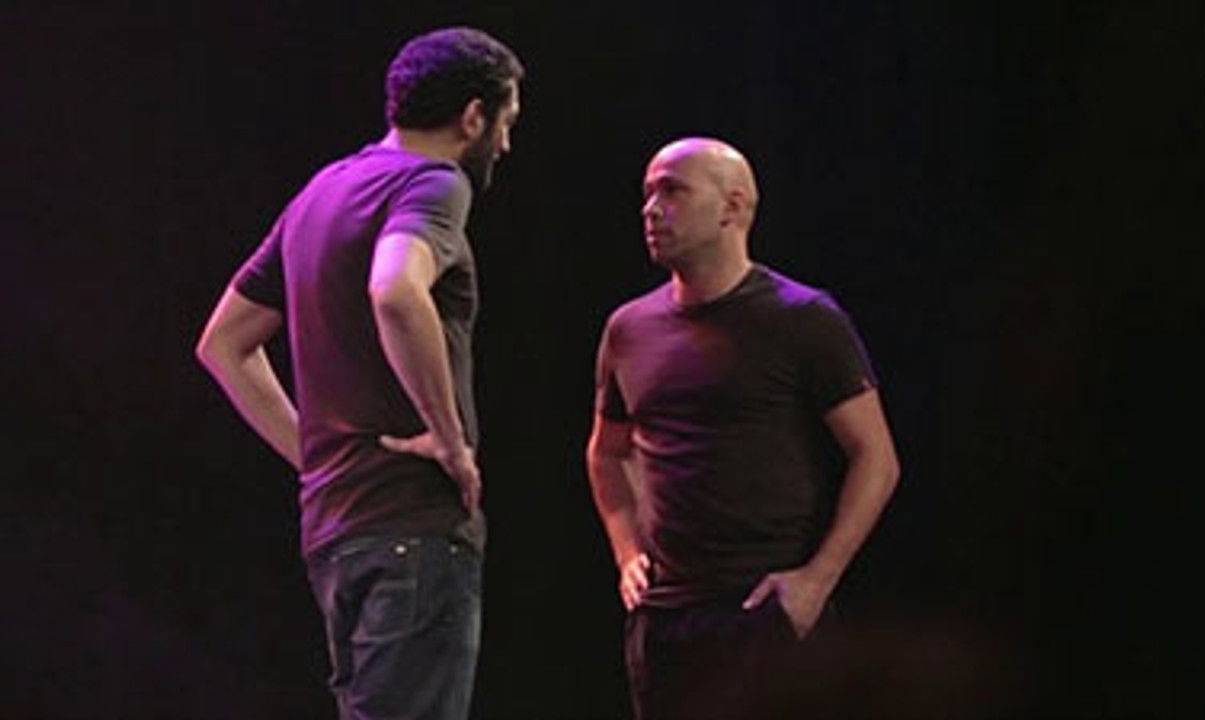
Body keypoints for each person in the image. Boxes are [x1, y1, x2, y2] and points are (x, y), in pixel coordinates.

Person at [196, 27, 523, 720]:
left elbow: (224, 344)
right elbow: (395, 289)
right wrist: (449, 440)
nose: (505, 144)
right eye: (506, 122)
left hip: (336, 533)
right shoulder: (434, 182)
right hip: (411, 522)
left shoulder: (322, 192)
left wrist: (315, 457)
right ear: (473, 115)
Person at [587, 137, 901, 719]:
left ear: (731, 208)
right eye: (648, 193)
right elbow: (607, 453)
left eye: (672, 191)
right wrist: (627, 551)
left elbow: (876, 458)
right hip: (666, 621)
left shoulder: (802, 318)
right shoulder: (629, 328)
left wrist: (817, 581)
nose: (651, 210)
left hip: (762, 608)